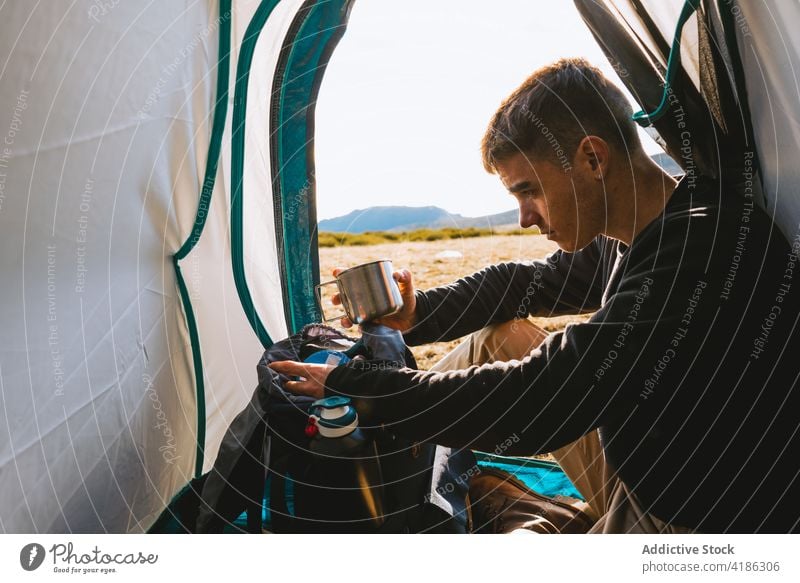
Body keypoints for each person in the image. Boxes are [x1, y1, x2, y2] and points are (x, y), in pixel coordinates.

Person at [271, 58, 800, 533]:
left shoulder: (697, 252)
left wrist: (371, 392)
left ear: (592, 159)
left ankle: (522, 514)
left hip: (696, 515)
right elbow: (518, 284)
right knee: (496, 338)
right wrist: (419, 313)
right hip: (652, 453)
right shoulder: (645, 225)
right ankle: (423, 460)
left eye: (529, 190)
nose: (525, 216)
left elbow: (544, 397)